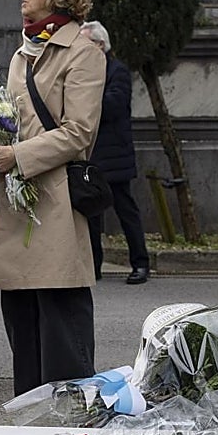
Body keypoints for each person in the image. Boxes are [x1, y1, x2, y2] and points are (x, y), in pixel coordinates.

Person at [0, 0, 106, 397]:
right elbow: (13, 121)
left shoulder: (83, 51)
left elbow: (80, 133)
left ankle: (69, 412)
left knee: (60, 314)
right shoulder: (22, 53)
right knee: (22, 317)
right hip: (15, 198)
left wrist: (18, 155)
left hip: (57, 201)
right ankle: (29, 406)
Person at [81, 20, 151, 285]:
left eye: (86, 44)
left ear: (100, 45)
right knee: (91, 214)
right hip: (93, 154)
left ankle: (140, 263)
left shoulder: (117, 70)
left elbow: (114, 105)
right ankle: (93, 266)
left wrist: (84, 102)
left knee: (125, 210)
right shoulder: (85, 72)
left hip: (114, 154)